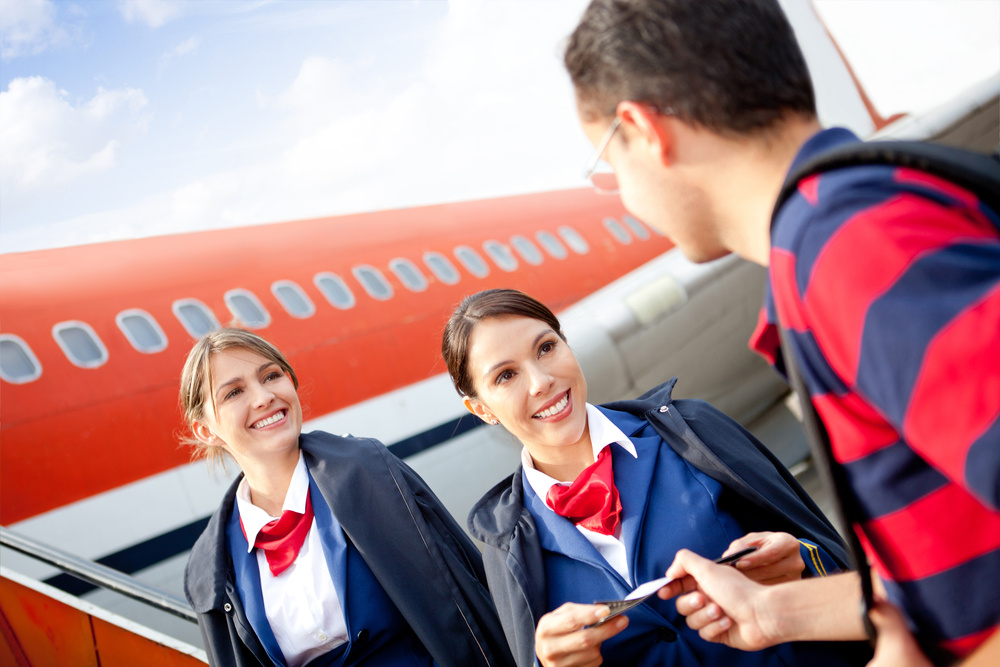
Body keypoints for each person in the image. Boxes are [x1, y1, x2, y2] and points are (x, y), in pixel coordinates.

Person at [563, 0, 1000, 665]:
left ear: (644, 129)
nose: (622, 195)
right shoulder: (837, 231)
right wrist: (776, 610)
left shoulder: (848, 250)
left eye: (606, 164)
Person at [443, 288, 870, 667]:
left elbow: (833, 556)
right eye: (506, 376)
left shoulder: (692, 430)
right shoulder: (508, 544)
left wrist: (803, 561)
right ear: (481, 410)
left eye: (546, 348)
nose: (542, 381)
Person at [180, 328, 515, 667]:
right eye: (234, 392)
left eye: (271, 376)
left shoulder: (371, 473)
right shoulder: (211, 567)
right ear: (206, 431)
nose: (263, 397)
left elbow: (467, 594)